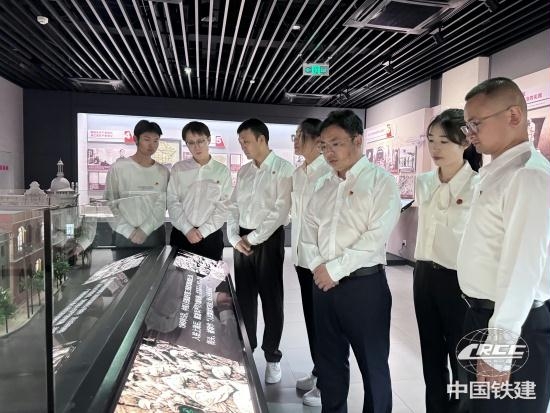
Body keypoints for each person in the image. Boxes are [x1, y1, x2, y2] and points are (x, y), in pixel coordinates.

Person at [457, 77, 550, 413]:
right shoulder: (498, 171)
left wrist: (500, 347)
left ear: (514, 116)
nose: (470, 133)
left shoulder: (527, 175)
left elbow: (523, 267)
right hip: (484, 317)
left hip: (512, 326)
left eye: (476, 123)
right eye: (468, 125)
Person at [301, 110, 400, 413]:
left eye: (336, 144)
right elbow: (308, 230)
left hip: (364, 287)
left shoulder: (382, 182)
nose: (329, 152)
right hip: (323, 286)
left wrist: (334, 269)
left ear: (358, 141)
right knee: (329, 363)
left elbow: (375, 236)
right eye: (323, 146)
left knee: (373, 366)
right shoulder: (322, 185)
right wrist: (319, 268)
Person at [413, 108, 481, 413]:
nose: (435, 148)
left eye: (444, 141)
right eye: (431, 140)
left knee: (462, 357)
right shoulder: (424, 181)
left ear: (465, 142)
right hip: (423, 276)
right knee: (430, 353)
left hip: (459, 281)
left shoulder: (478, 185)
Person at [227, 118, 293, 384]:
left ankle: (272, 356)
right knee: (244, 299)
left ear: (262, 139)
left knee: (271, 299)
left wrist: (252, 238)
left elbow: (280, 211)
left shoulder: (283, 169)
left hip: (268, 240)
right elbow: (233, 205)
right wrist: (234, 237)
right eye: (240, 142)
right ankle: (246, 350)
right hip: (242, 241)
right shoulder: (244, 171)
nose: (243, 146)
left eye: (246, 141)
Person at [291, 118, 332, 407]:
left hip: (321, 262)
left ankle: (328, 382)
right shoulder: (298, 173)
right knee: (311, 319)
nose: (295, 140)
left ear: (318, 142)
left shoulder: (328, 173)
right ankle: (319, 371)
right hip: (301, 258)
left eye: (299, 136)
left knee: (325, 324)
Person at [104, 120, 169, 259]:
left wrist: (145, 230)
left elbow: (162, 205)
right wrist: (128, 231)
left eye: (156, 141)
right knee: (125, 272)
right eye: (147, 139)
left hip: (154, 234)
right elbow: (109, 203)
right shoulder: (118, 168)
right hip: (124, 236)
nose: (152, 145)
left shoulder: (163, 171)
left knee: (155, 271)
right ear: (135, 139)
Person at [167, 121, 231, 261]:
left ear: (209, 139)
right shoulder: (178, 169)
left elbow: (223, 206)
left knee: (210, 275)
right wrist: (187, 229)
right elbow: (172, 201)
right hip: (181, 235)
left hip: (210, 237)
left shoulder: (222, 171)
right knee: (176, 275)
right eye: (191, 142)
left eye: (200, 141)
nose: (196, 146)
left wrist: (203, 231)